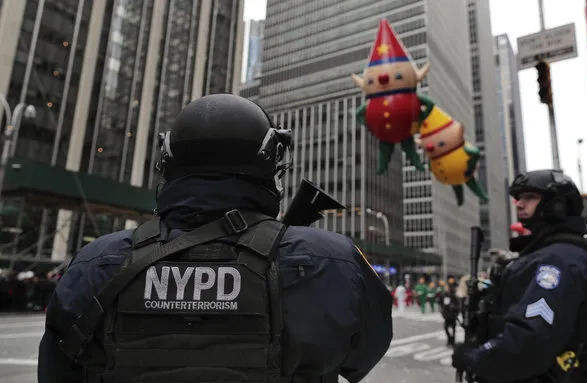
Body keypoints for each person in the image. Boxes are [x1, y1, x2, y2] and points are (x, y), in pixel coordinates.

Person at [38, 94, 393, 383]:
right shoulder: (333, 260)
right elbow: (363, 357)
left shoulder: (93, 262)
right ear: (271, 164)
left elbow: (57, 370)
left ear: (168, 161)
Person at [452, 169, 587, 382]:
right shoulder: (550, 253)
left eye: (530, 197)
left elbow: (530, 341)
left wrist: (474, 357)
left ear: (557, 204)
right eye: (518, 198)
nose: (519, 204)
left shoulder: (559, 259)